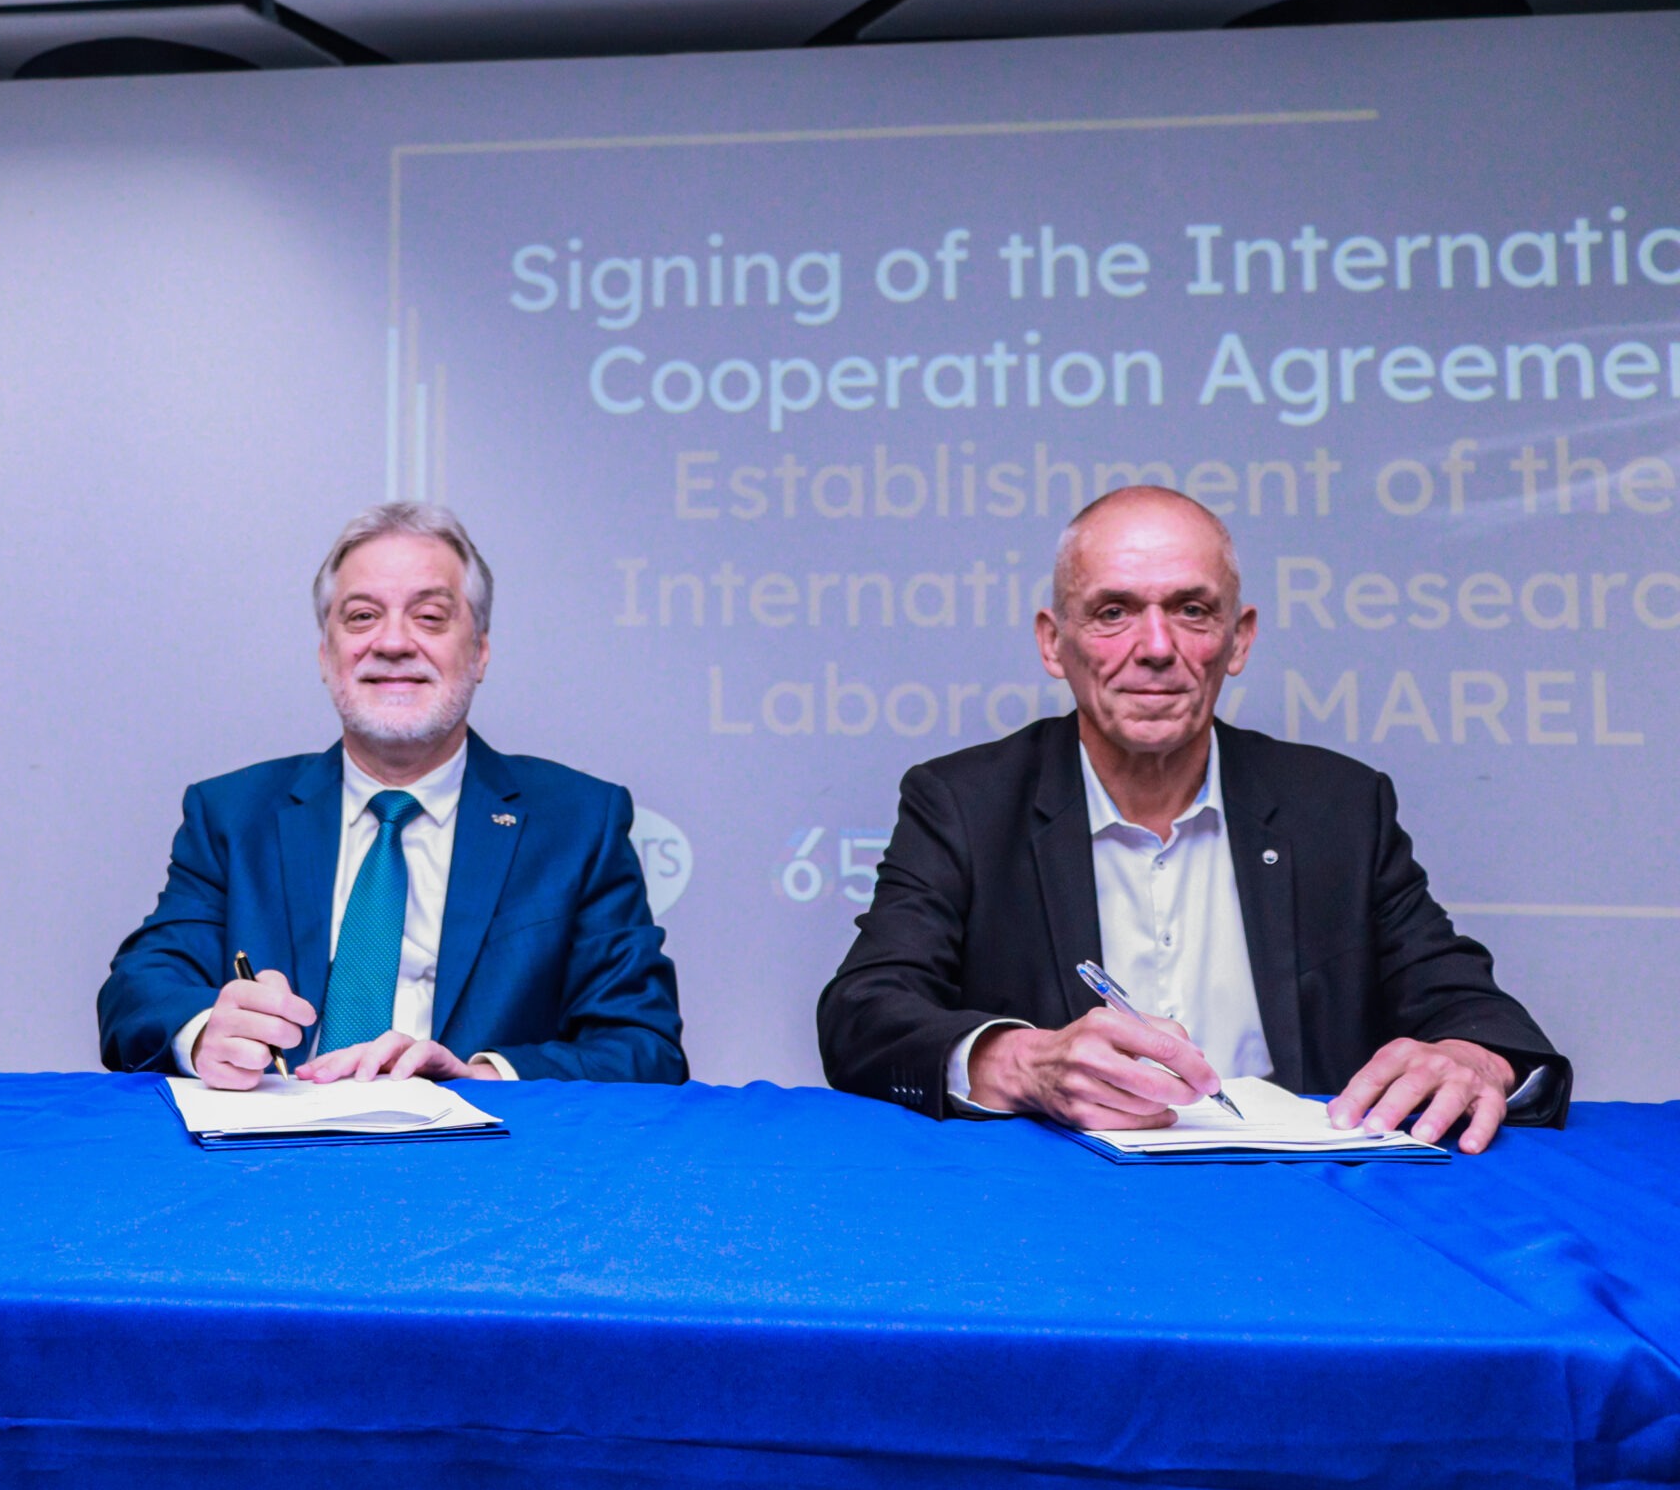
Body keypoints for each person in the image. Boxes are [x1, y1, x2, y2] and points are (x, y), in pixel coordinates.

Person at [818, 486, 1567, 1153]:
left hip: (1305, 1214)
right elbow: (863, 1012)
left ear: (1239, 638)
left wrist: (1472, 1055)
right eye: (1113, 611)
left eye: (1191, 610)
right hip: (1054, 1215)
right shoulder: (965, 801)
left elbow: (1468, 1004)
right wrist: (1024, 1063)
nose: (1155, 647)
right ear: (1054, 641)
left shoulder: (1338, 805)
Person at [99, 503, 685, 1087]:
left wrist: (480, 1072)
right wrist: (205, 1032)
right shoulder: (233, 816)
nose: (394, 642)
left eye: (430, 617)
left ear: (479, 650)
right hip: (272, 1156)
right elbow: (138, 988)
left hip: (482, 1164)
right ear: (326, 655)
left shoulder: (578, 822)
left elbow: (642, 1045)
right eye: (361, 617)